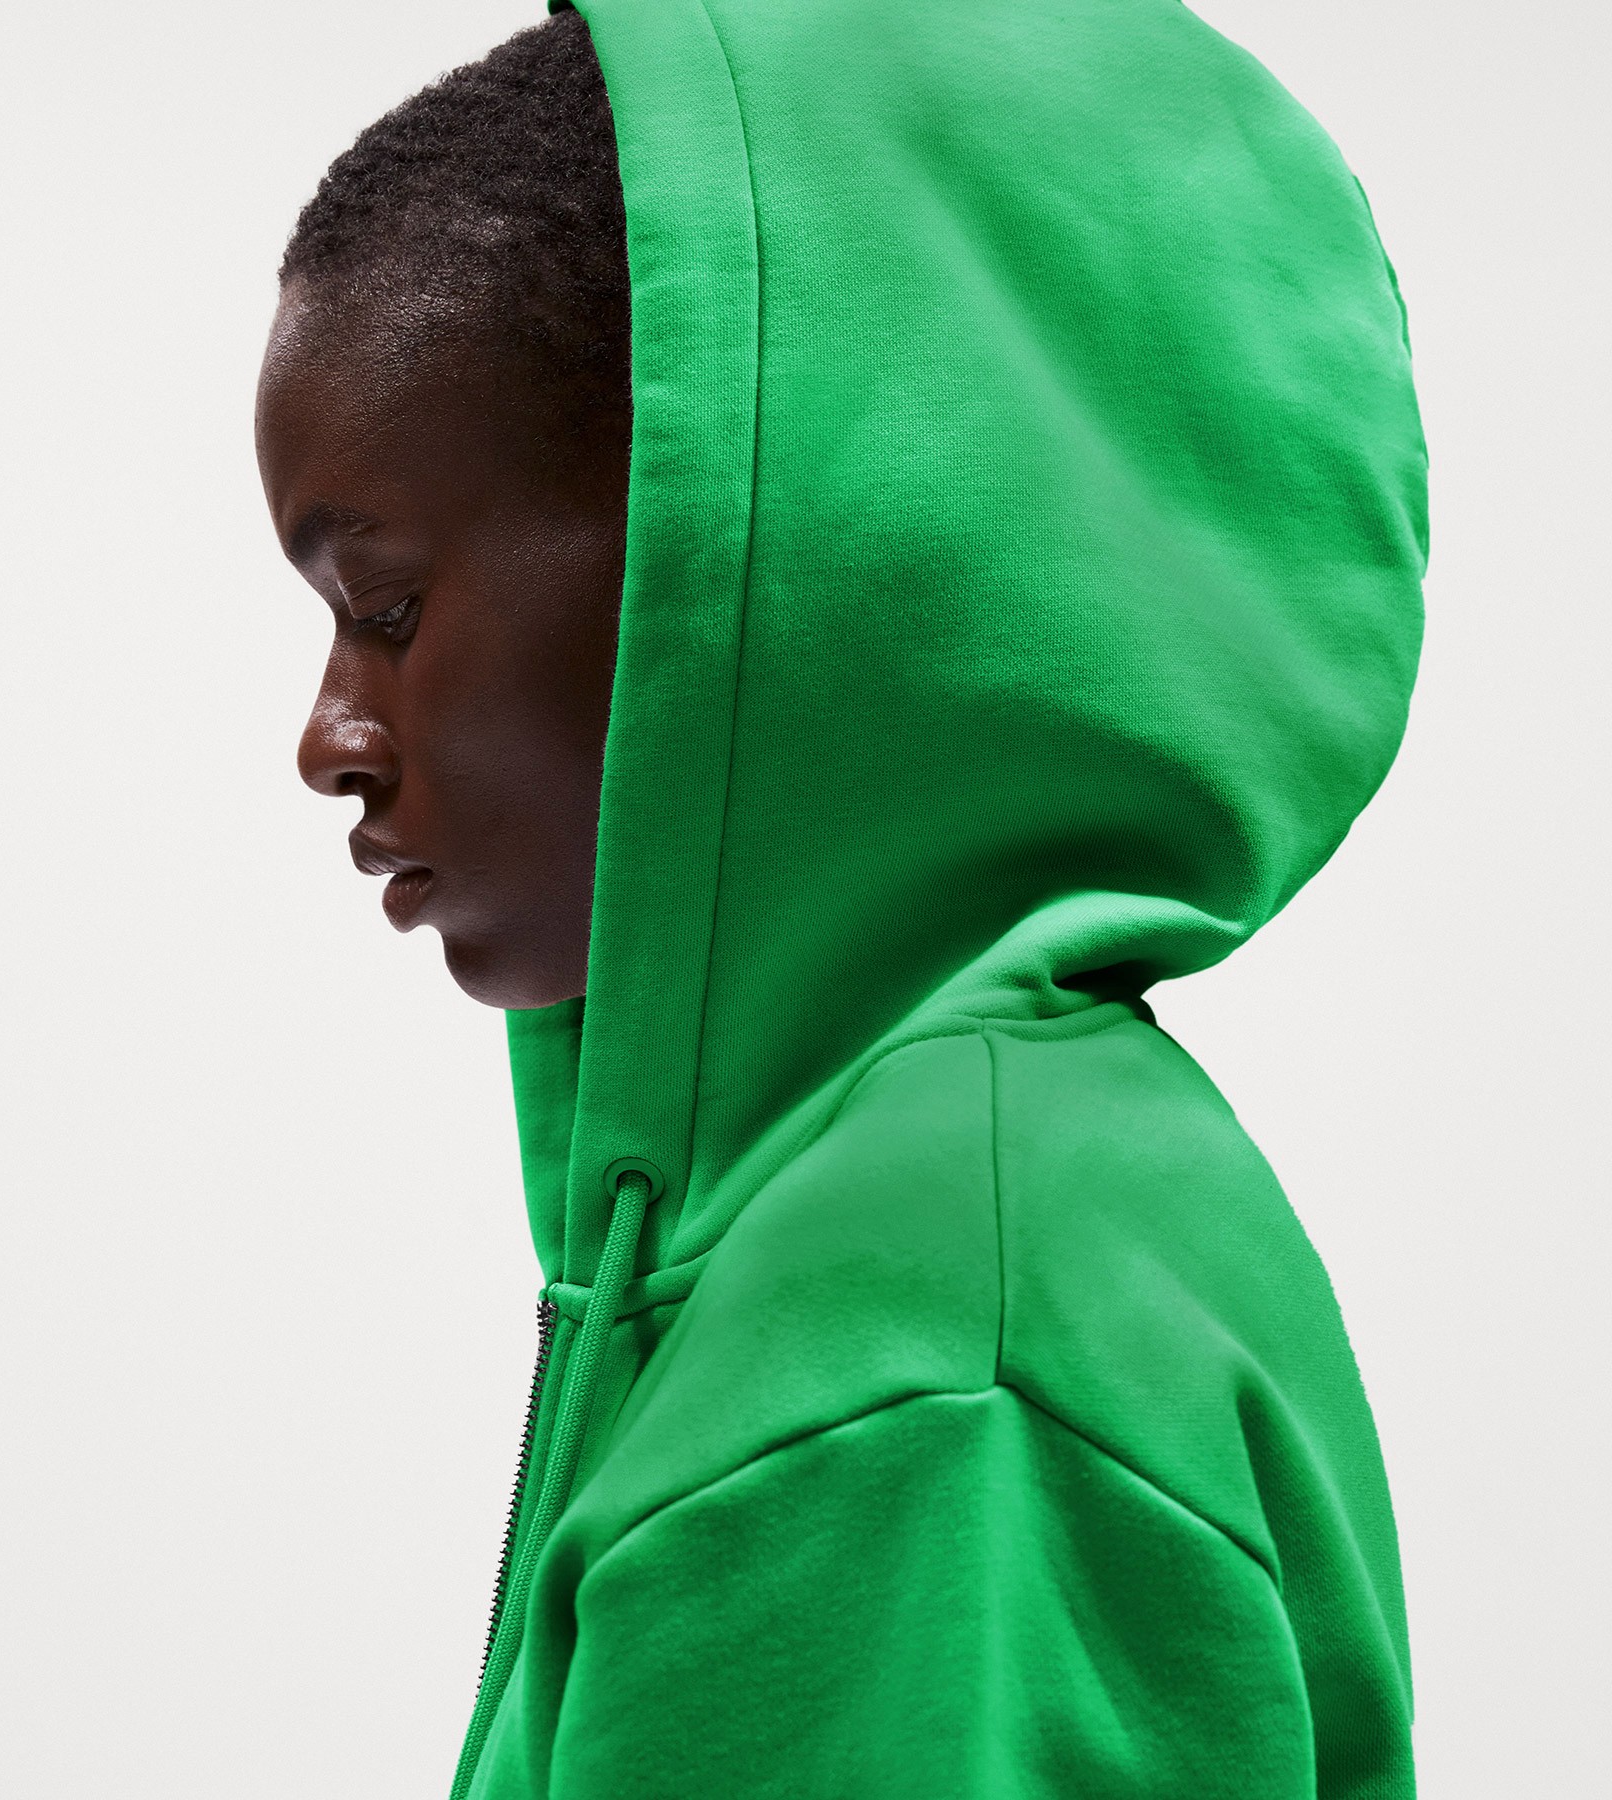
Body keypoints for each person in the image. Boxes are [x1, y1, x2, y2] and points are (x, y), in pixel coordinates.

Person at [255, 2, 1426, 1795]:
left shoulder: (920, 1363)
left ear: (733, 542)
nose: (329, 740)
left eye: (388, 608)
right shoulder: (1012, 1204)